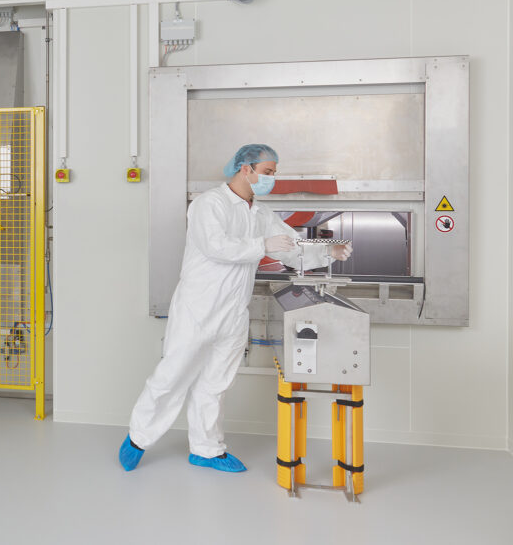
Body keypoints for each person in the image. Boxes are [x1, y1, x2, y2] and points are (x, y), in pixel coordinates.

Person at [119, 144, 352, 473]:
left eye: (273, 173)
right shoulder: (208, 204)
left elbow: (290, 244)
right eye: (268, 172)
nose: (271, 179)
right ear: (247, 169)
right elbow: (215, 247)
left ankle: (207, 449)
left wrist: (329, 251)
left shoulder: (260, 212)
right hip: (198, 308)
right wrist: (261, 246)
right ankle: (138, 438)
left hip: (233, 311)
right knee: (172, 376)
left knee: (216, 383)